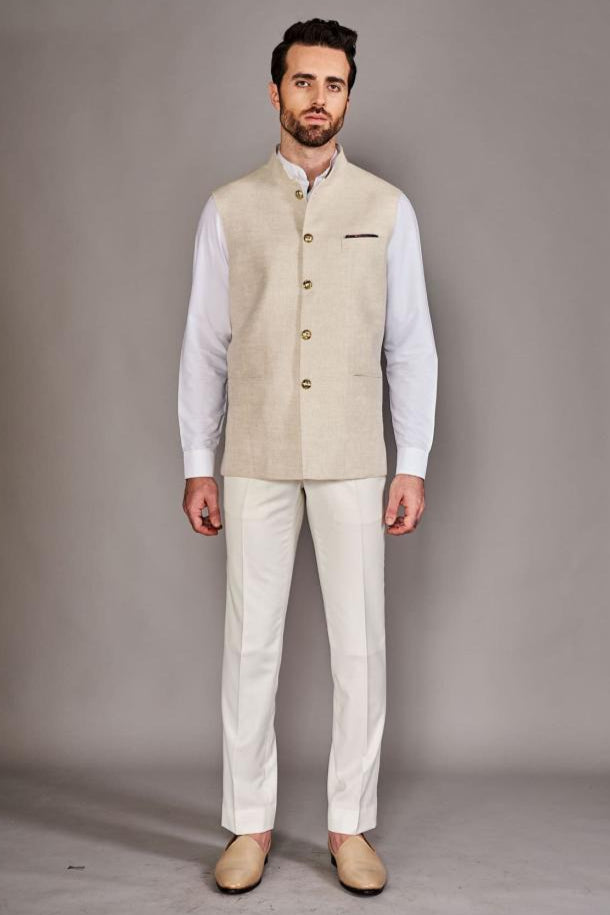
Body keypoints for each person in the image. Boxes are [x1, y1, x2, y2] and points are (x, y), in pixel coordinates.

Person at [178, 17, 438, 896]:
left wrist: (412, 459)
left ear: (348, 96)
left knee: (359, 647)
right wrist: (198, 457)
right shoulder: (229, 208)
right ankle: (249, 824)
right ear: (275, 91)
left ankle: (348, 824)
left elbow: (411, 343)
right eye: (302, 81)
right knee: (249, 644)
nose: (317, 98)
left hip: (353, 453)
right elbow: (204, 343)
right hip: (253, 450)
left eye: (333, 84)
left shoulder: (388, 208)